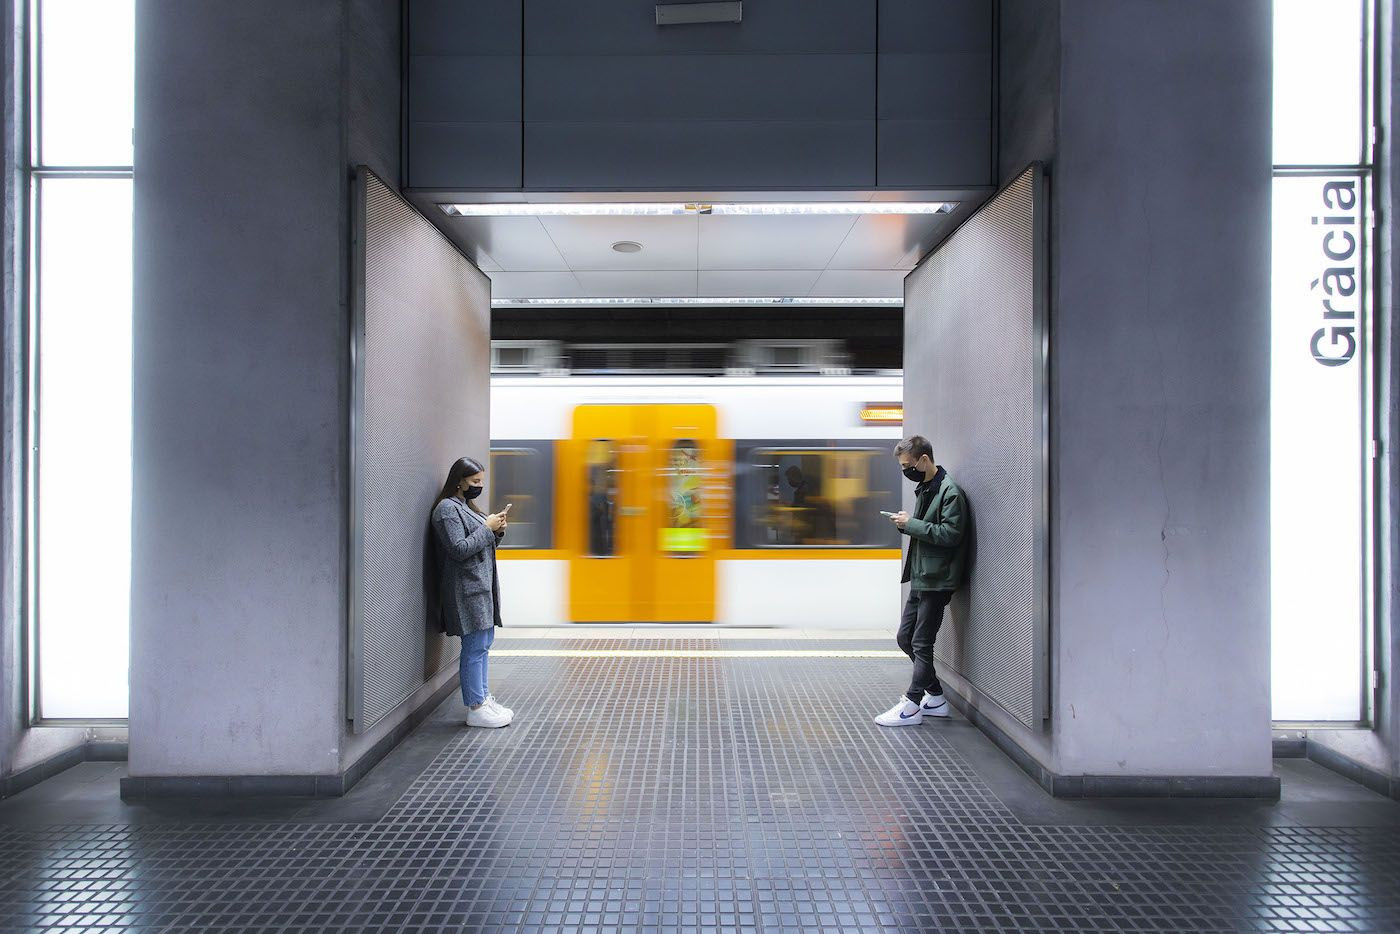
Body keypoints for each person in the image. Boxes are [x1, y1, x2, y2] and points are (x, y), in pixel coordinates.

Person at [875, 435, 968, 727]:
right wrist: (907, 523)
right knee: (905, 638)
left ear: (923, 460)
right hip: (922, 575)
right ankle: (936, 697)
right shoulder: (928, 488)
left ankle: (912, 704)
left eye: (908, 465)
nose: (906, 470)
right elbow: (931, 530)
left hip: (937, 579)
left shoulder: (949, 492)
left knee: (921, 642)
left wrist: (912, 524)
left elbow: (951, 535)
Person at [430, 456, 514, 728]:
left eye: (481, 481)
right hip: (466, 590)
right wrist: (487, 528)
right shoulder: (446, 510)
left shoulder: (467, 507)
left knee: (483, 646)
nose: (479, 486)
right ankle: (475, 707)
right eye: (475, 481)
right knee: (474, 647)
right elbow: (458, 549)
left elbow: (482, 544)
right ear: (459, 481)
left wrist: (496, 531)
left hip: (480, 589)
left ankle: (483, 698)